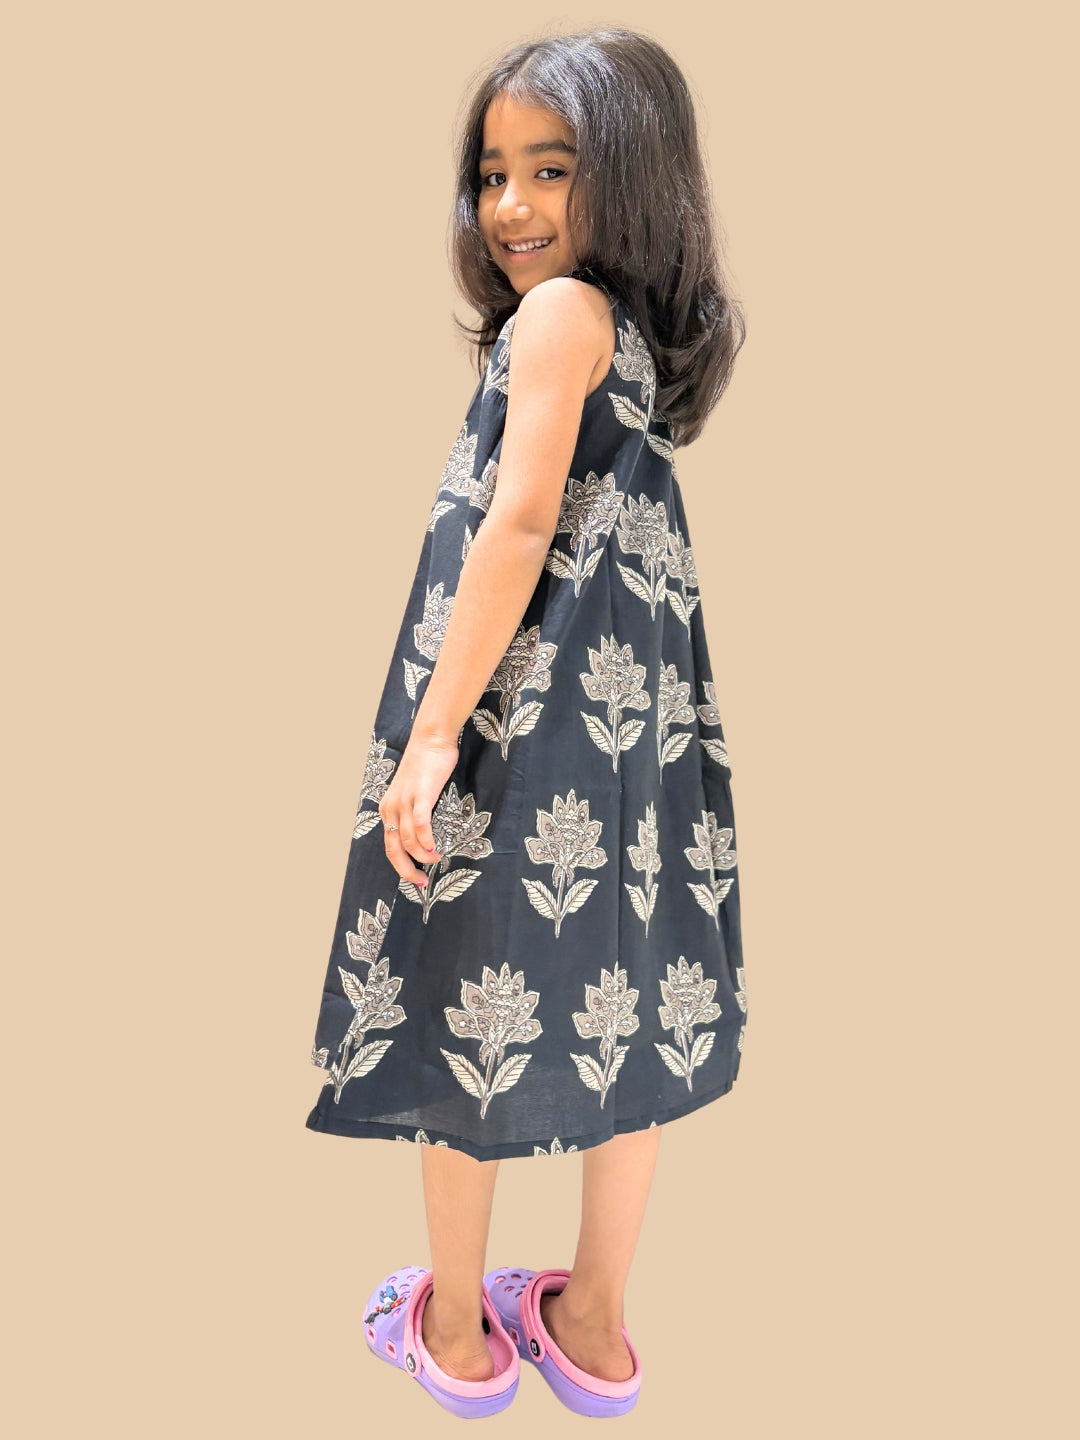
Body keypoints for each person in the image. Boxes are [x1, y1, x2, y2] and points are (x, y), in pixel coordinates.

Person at [304, 26, 748, 1418]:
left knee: (462, 990)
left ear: (636, 171)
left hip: (527, 719)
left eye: (551, 169)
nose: (510, 205)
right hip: (635, 748)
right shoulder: (630, 347)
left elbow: (519, 524)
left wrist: (438, 733)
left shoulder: (556, 318)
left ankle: (455, 1332)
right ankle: (594, 1332)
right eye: (493, 173)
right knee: (631, 1000)